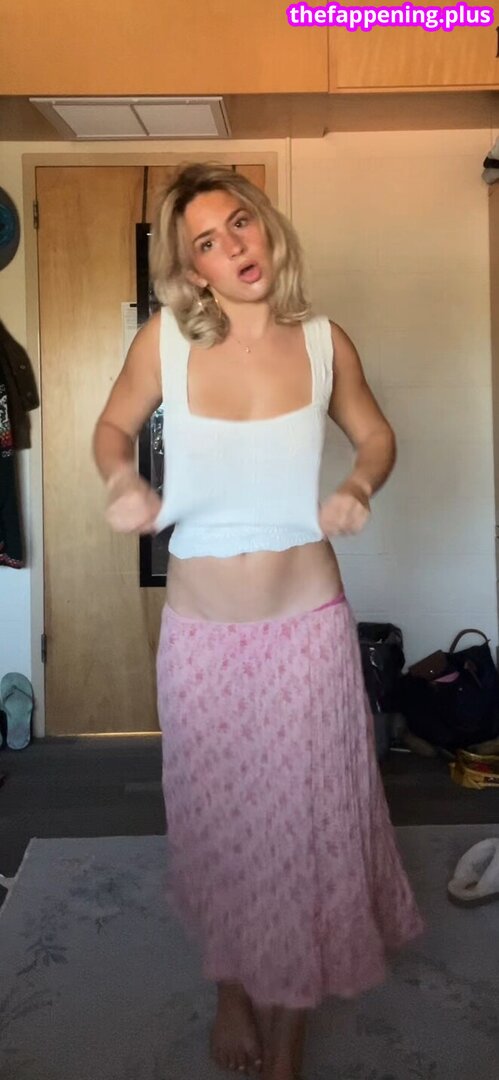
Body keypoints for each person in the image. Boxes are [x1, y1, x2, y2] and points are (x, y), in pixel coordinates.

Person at [93, 162, 424, 1080]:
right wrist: (121, 480)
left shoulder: (323, 341)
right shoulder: (163, 342)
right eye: (206, 241)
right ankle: (232, 988)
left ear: (265, 225)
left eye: (238, 222)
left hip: (306, 629)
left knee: (305, 829)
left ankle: (287, 1030)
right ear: (191, 270)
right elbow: (112, 430)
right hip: (200, 640)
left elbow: (376, 434)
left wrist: (359, 485)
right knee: (217, 825)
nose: (232, 246)